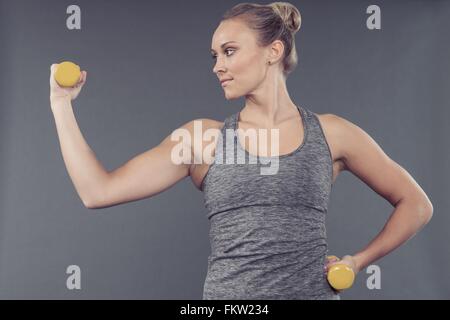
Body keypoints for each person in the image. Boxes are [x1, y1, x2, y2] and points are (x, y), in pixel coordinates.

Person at [49, 2, 433, 300]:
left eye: (229, 51)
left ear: (273, 51)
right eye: (214, 55)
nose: (218, 66)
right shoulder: (202, 139)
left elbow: (416, 204)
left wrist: (356, 261)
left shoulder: (332, 133)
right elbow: (96, 192)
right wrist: (61, 105)